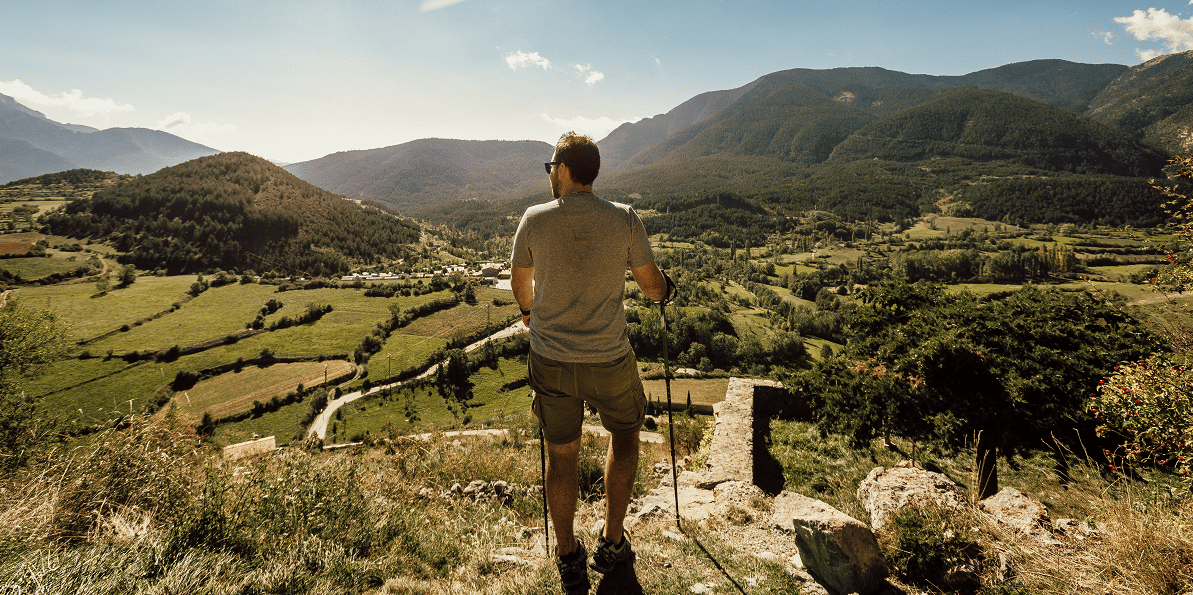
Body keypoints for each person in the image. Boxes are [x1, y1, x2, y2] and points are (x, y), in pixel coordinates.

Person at [511, 132, 671, 594]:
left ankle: (567, 555)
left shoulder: (534, 220)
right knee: (624, 438)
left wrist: (528, 314)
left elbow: (522, 284)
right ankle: (612, 541)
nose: (549, 176)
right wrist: (667, 289)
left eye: (550, 168)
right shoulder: (623, 219)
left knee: (562, 456)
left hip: (551, 359)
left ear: (562, 170)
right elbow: (651, 287)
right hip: (609, 359)